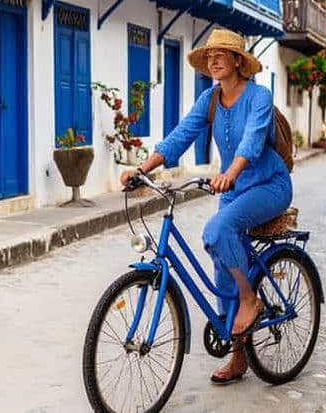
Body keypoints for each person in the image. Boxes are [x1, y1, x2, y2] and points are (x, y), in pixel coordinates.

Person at [119, 28, 293, 385]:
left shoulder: (259, 96)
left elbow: (253, 139)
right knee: (220, 259)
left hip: (269, 186)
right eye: (209, 56)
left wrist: (229, 173)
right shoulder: (210, 99)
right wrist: (142, 169)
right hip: (233, 190)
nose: (213, 61)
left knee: (216, 230)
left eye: (220, 55)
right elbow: (181, 135)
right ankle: (238, 355)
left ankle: (250, 299)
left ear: (238, 62)